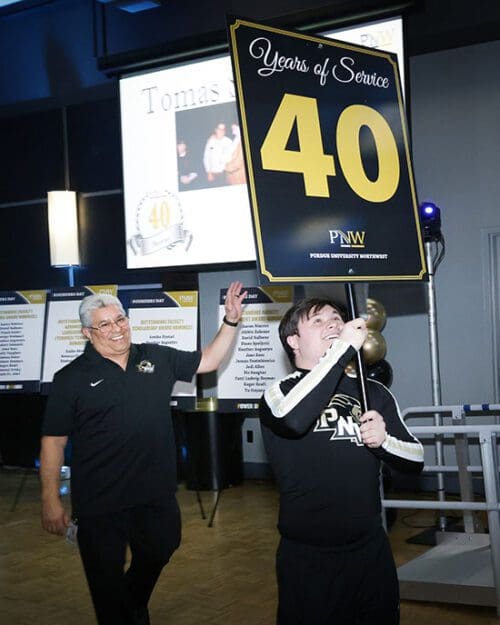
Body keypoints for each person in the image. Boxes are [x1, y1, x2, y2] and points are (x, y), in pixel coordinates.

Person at [40, 281, 247, 625]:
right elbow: (53, 441)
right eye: (105, 324)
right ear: (86, 332)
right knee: (105, 587)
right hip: (100, 502)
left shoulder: (156, 357)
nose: (117, 329)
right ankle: (123, 611)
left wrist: (231, 321)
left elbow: (208, 360)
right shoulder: (70, 379)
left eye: (120, 319)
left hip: (154, 493)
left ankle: (133, 599)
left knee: (163, 546)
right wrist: (50, 497)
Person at [259, 298, 424, 625]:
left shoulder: (373, 392)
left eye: (336, 318)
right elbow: (292, 420)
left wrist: (384, 442)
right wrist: (341, 352)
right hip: (308, 558)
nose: (333, 324)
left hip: (369, 550)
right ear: (293, 340)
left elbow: (416, 459)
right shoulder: (280, 392)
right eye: (318, 321)